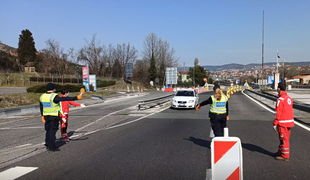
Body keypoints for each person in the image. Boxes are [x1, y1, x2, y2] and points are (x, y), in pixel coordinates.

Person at [40, 83, 83, 151]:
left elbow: (41, 106)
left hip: (46, 116)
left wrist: (42, 115)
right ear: (53, 89)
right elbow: (64, 99)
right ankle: (52, 147)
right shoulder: (54, 96)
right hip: (53, 116)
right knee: (52, 131)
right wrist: (76, 97)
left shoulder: (42, 96)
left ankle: (47, 143)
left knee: (48, 130)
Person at [273, 81, 294, 161]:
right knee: (284, 138)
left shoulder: (280, 100)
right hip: (289, 122)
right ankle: (280, 152)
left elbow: (278, 113)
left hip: (282, 122)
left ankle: (285, 156)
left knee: (283, 139)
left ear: (279, 88)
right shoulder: (289, 98)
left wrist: (275, 123)